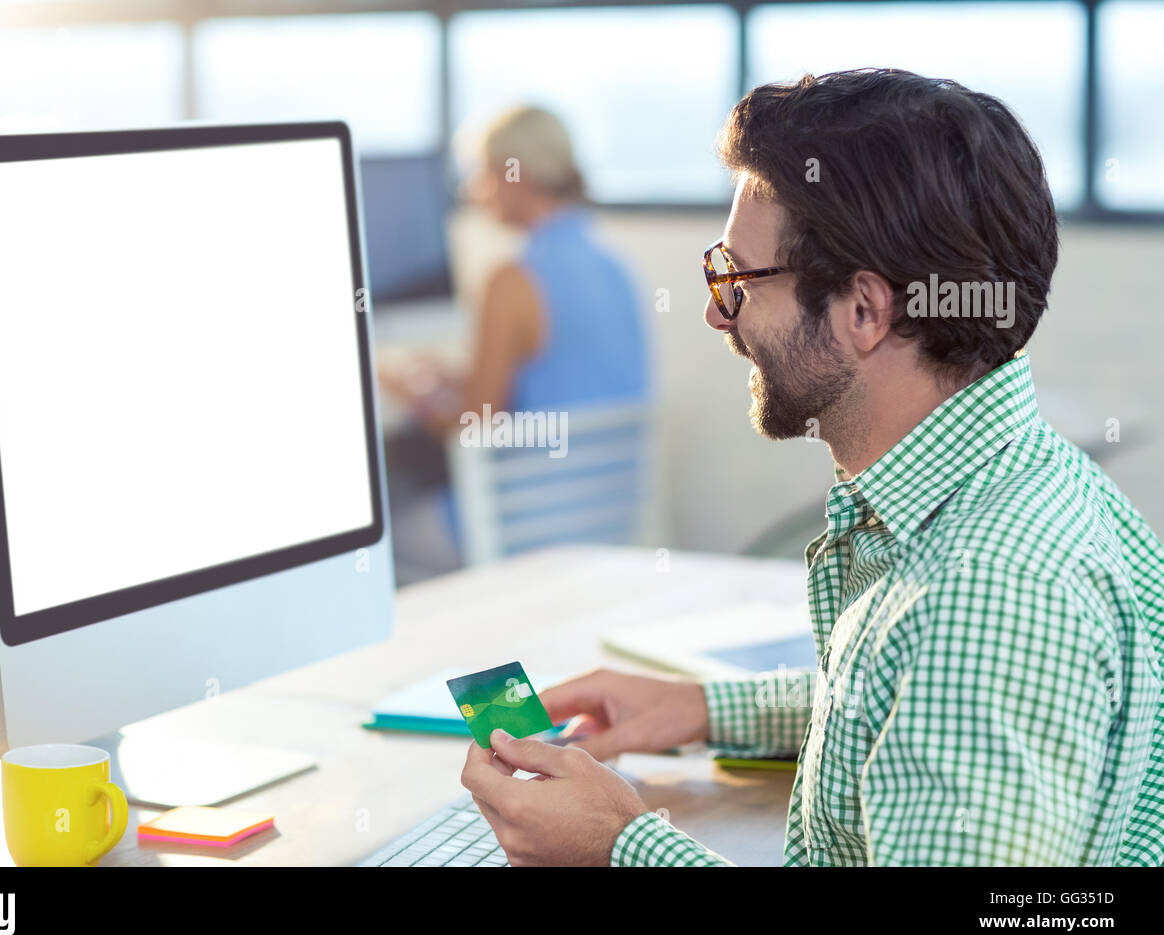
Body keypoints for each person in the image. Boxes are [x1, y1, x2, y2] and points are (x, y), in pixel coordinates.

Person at [459, 69, 1164, 866]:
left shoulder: (981, 593)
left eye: (738, 277)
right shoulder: (1036, 483)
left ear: (864, 311)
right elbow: (923, 702)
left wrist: (624, 848)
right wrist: (704, 708)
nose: (716, 311)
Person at [382, 105, 649, 577]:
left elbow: (472, 424)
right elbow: (562, 376)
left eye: (480, 175)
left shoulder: (511, 280)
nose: (473, 192)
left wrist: (409, 392)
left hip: (522, 531)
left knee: (383, 530)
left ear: (515, 174)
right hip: (606, 521)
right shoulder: (615, 268)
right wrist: (457, 376)